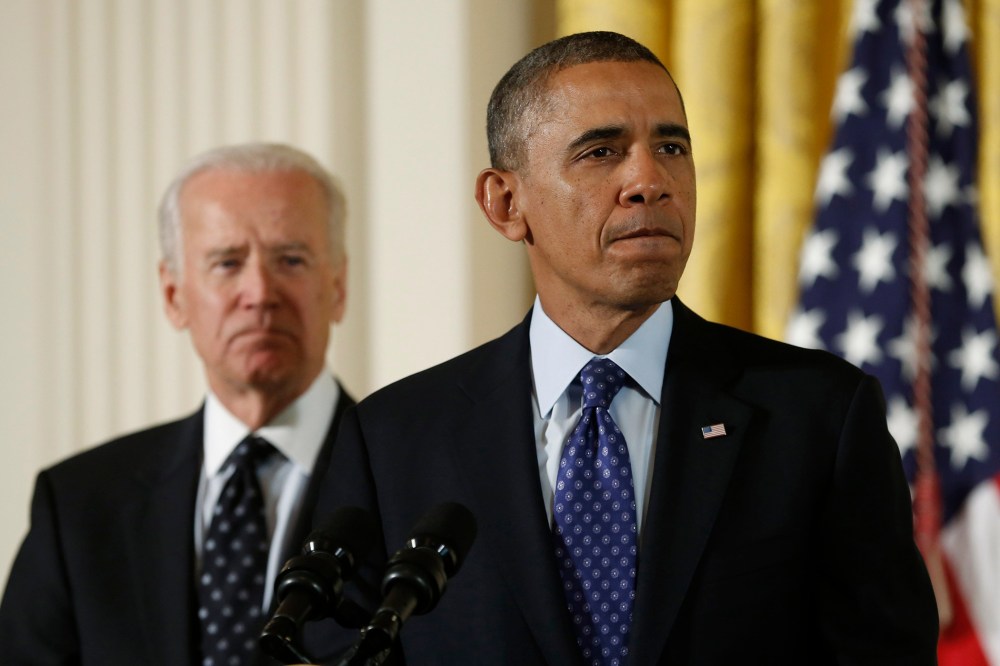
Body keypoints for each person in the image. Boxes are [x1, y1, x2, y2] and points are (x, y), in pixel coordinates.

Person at [315, 32, 939, 664]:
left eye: (671, 147)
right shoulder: (393, 440)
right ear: (505, 203)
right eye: (601, 152)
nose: (649, 180)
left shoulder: (819, 416)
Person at [0, 142, 355, 665]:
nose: (259, 292)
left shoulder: (408, 482)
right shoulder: (79, 506)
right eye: (227, 262)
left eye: (291, 260)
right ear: (173, 296)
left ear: (338, 287)